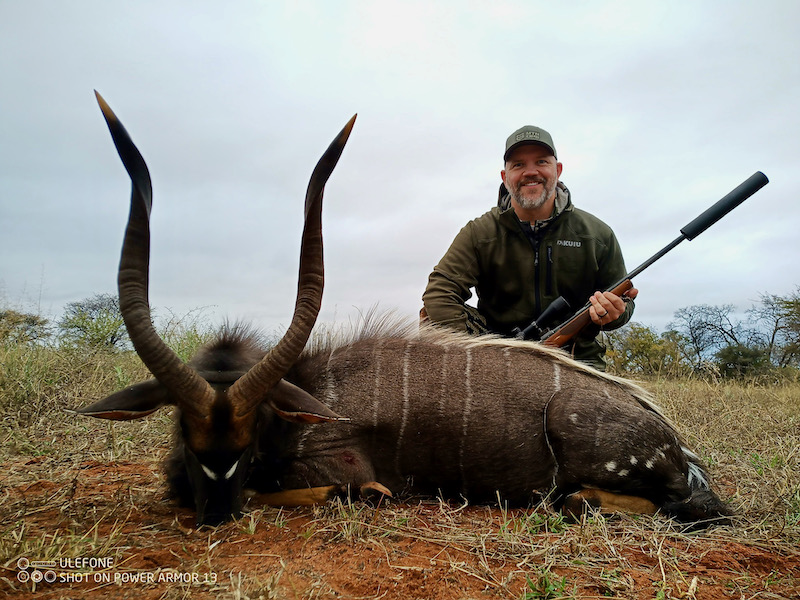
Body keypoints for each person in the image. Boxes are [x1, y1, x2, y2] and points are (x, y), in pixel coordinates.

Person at [422, 125, 637, 369]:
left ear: (558, 170)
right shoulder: (479, 232)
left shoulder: (597, 234)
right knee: (428, 316)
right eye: (518, 165)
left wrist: (613, 314)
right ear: (505, 177)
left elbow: (624, 302)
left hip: (575, 361)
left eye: (541, 162)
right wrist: (482, 355)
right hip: (498, 358)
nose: (530, 172)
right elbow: (439, 291)